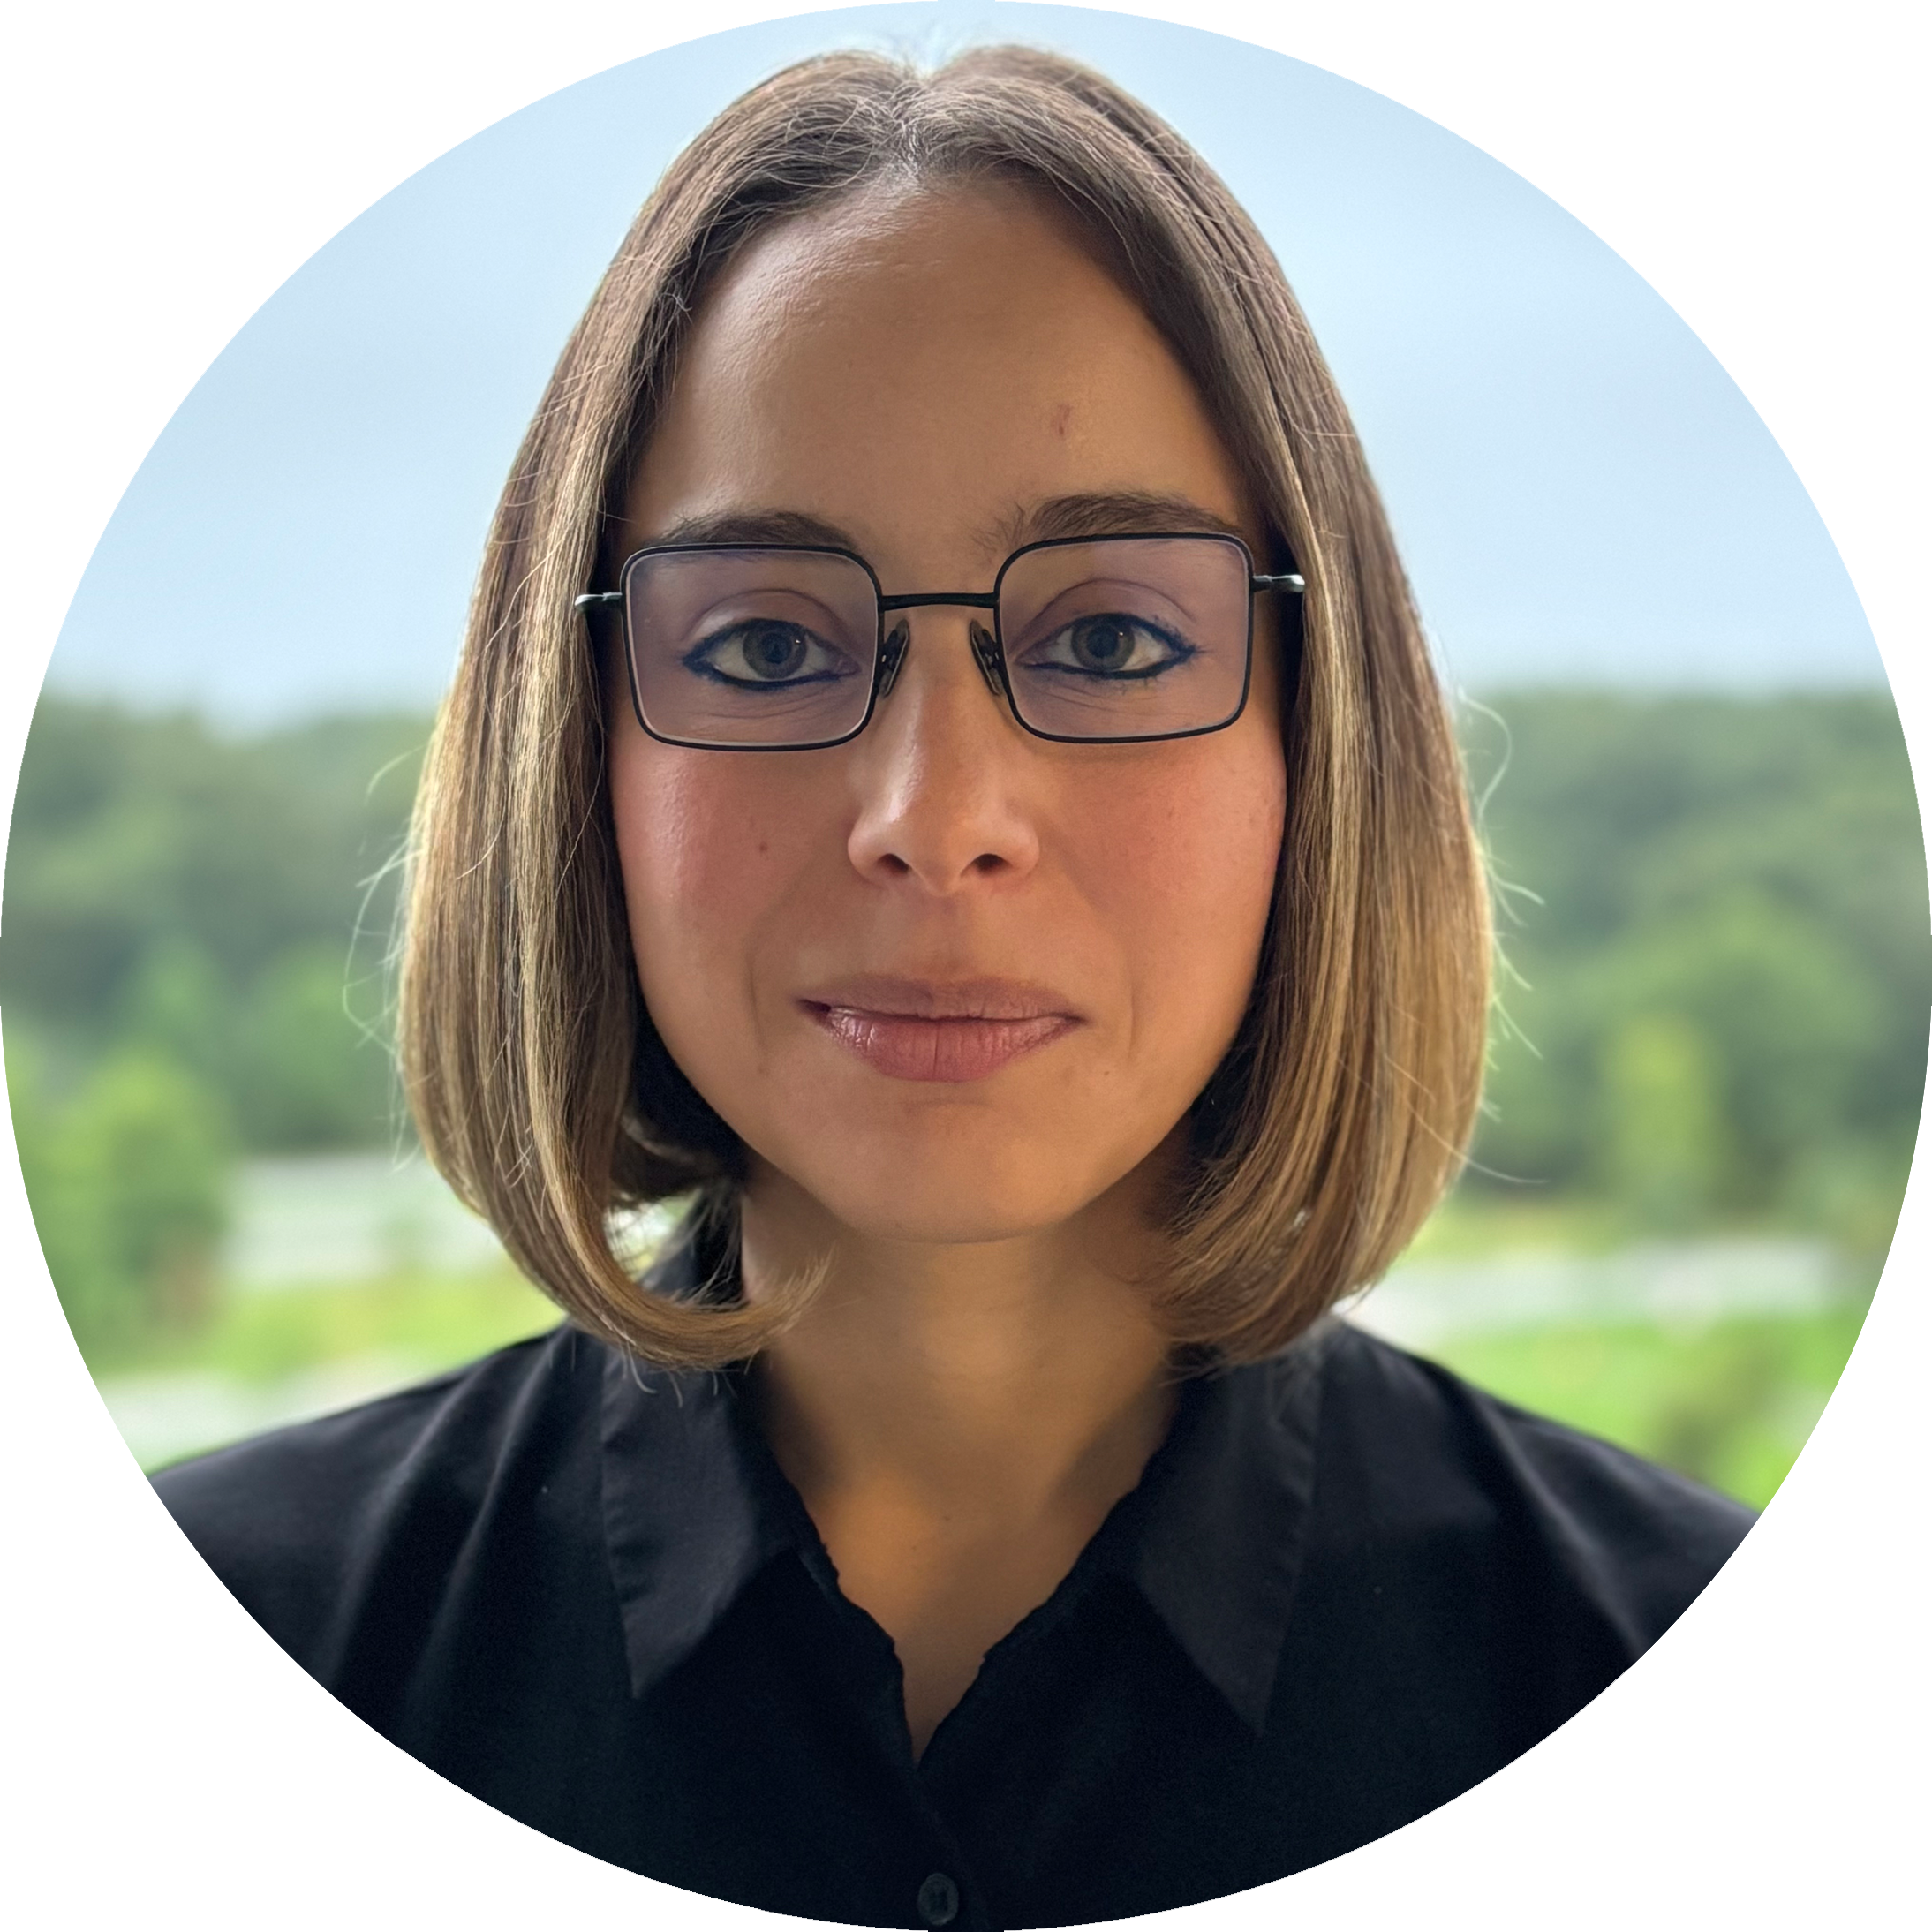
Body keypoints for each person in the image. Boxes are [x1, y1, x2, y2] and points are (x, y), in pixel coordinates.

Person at [152, 45, 1815, 1926]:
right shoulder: (232, 1608)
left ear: (1315, 734)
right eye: (768, 642)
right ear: (578, 749)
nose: (935, 821)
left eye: (1107, 634)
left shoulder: (1709, 1667)